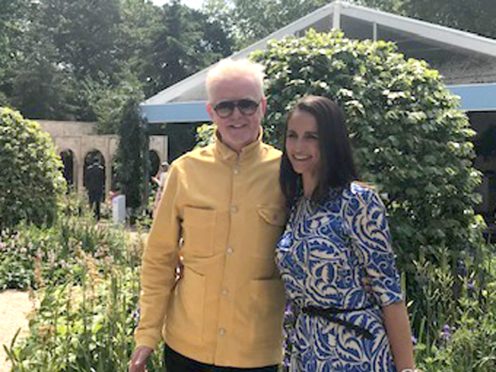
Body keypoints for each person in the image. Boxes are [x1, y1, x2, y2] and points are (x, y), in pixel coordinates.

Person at [129, 58, 287, 372]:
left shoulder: (287, 174)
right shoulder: (184, 171)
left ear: (263, 106)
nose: (237, 115)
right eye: (226, 106)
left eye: (247, 105)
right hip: (188, 348)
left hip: (256, 352)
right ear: (210, 111)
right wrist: (147, 335)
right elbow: (160, 257)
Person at [276, 96, 416, 371]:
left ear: (330, 142)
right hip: (307, 350)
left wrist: (407, 368)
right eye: (293, 136)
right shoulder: (296, 206)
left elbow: (389, 292)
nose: (298, 147)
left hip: (356, 350)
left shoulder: (358, 202)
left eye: (311, 137)